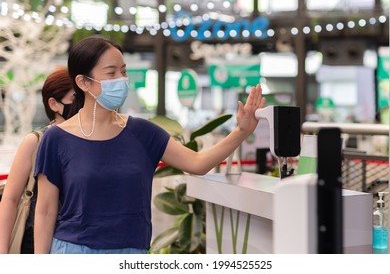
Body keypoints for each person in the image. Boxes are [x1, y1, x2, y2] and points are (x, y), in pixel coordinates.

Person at [34, 35, 266, 254]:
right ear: (83, 82)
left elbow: (197, 163)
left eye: (123, 72)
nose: (121, 80)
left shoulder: (142, 133)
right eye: (111, 72)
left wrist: (241, 131)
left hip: (131, 252)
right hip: (73, 253)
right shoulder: (57, 138)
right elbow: (45, 211)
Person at [0, 68, 75, 254]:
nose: (82, 105)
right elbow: (10, 199)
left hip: (75, 243)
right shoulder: (35, 141)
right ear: (54, 104)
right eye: (76, 99)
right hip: (33, 243)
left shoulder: (92, 140)